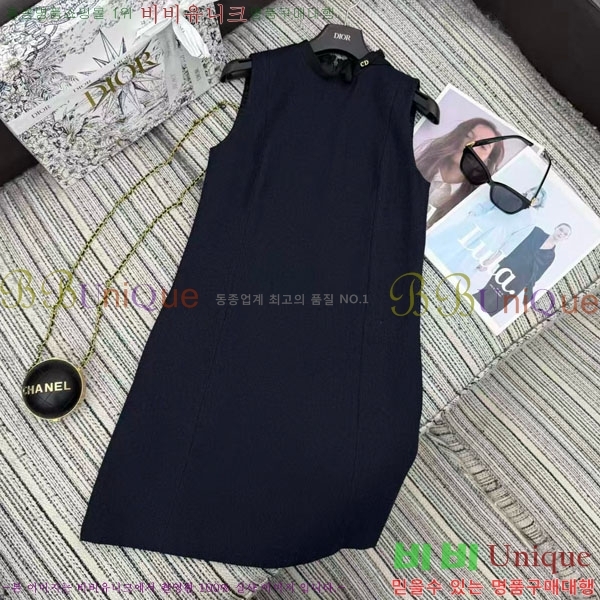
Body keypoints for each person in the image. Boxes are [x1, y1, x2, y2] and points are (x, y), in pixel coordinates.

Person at [415, 117, 505, 228]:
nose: (469, 145)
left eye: (482, 146)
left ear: (487, 161)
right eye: (468, 136)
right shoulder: (420, 163)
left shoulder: (470, 205)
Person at [476, 223, 572, 317]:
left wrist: (528, 294)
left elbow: (537, 275)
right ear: (556, 228)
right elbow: (513, 244)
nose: (561, 234)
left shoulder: (551, 256)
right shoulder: (536, 232)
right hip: (508, 268)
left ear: (566, 238)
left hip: (520, 282)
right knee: (487, 292)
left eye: (565, 234)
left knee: (497, 304)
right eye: (561, 230)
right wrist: (492, 261)